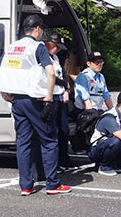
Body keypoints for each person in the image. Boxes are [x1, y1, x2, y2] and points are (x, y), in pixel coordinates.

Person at [0, 14, 72, 195]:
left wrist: (4, 93)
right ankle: (52, 184)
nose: (42, 33)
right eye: (41, 29)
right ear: (36, 28)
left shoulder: (12, 47)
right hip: (35, 99)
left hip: (17, 101)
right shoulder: (38, 47)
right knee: (49, 139)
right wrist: (49, 98)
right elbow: (51, 73)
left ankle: (26, 185)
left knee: (23, 142)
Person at [44, 33, 75, 171]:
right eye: (56, 47)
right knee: (51, 132)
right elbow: (49, 76)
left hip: (60, 96)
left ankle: (64, 159)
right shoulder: (43, 57)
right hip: (50, 96)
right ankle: (53, 163)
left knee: (64, 130)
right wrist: (64, 83)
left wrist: (66, 89)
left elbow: (62, 73)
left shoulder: (55, 57)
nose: (58, 50)